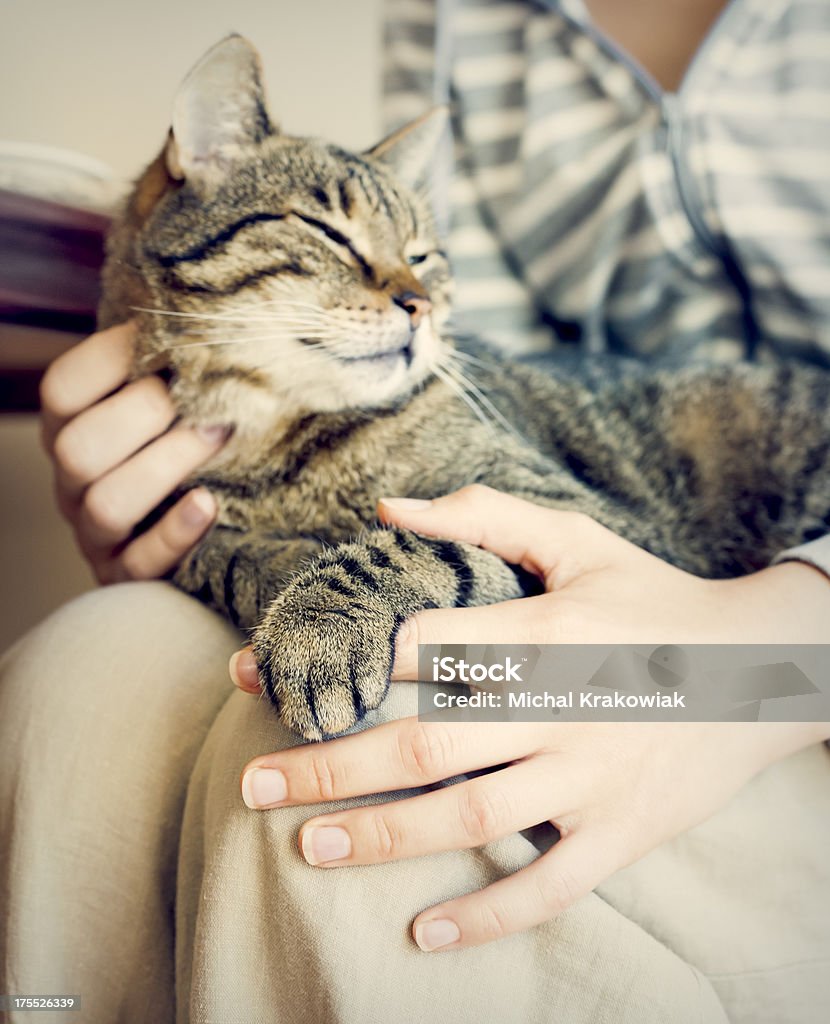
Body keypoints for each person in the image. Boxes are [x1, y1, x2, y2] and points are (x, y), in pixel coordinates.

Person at [2, 1, 829, 1021]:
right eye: (336, 240)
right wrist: (171, 539)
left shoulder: (434, 420)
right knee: (83, 664)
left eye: (418, 260)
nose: (406, 295)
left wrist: (781, 657)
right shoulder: (454, 21)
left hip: (774, 635)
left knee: (351, 731)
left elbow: (561, 561)